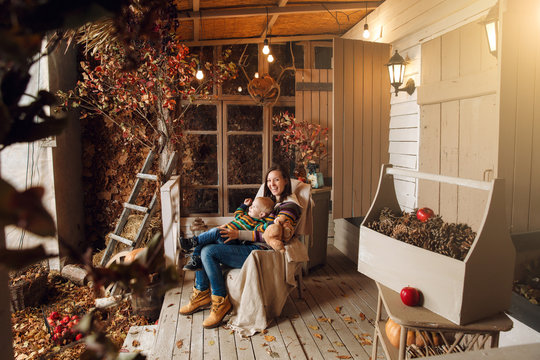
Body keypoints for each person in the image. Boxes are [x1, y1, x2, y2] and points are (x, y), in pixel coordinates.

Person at [179, 163, 303, 329]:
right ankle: (201, 293)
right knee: (209, 240)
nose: (271, 184)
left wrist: (238, 234)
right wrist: (232, 227)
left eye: (276, 180)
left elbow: (275, 235)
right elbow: (248, 219)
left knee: (208, 252)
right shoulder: (270, 202)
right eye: (269, 180)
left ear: (286, 181)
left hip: (261, 251)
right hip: (245, 243)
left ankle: (219, 301)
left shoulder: (290, 206)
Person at [180, 196, 275, 271]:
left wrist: (273, 222)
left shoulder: (257, 223)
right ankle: (196, 259)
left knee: (215, 231)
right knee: (206, 240)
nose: (250, 207)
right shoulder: (244, 216)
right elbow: (236, 213)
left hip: (231, 240)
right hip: (224, 235)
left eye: (254, 207)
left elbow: (264, 228)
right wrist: (244, 205)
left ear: (261, 214)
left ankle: (193, 241)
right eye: (252, 205)